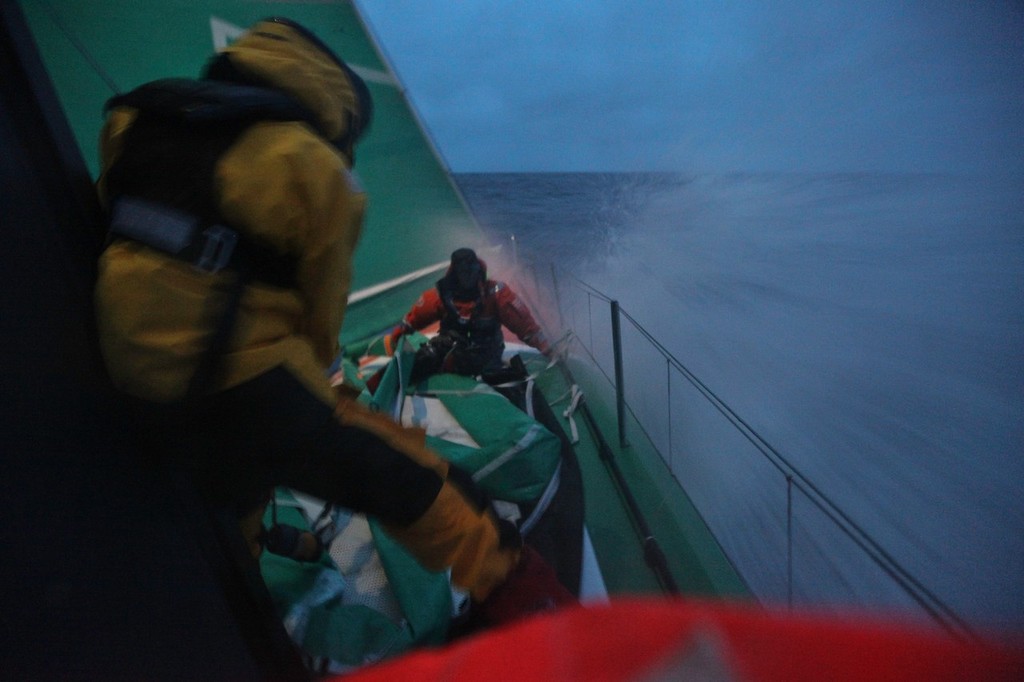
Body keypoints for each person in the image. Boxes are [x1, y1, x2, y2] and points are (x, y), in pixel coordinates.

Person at [93, 17, 571, 632]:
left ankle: (243, 590)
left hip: (128, 376)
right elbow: (319, 326)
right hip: (248, 385)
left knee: (233, 491)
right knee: (414, 478)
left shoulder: (134, 121)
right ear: (337, 105)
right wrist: (339, 395)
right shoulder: (315, 169)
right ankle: (523, 593)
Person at [386, 248, 552, 380]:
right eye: (464, 272)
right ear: (455, 272)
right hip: (449, 349)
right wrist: (397, 336)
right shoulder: (440, 295)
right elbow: (413, 320)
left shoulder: (496, 293)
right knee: (422, 361)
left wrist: (547, 348)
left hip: (487, 355)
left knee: (499, 379)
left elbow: (525, 326)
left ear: (478, 269)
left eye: (472, 271)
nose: (469, 276)